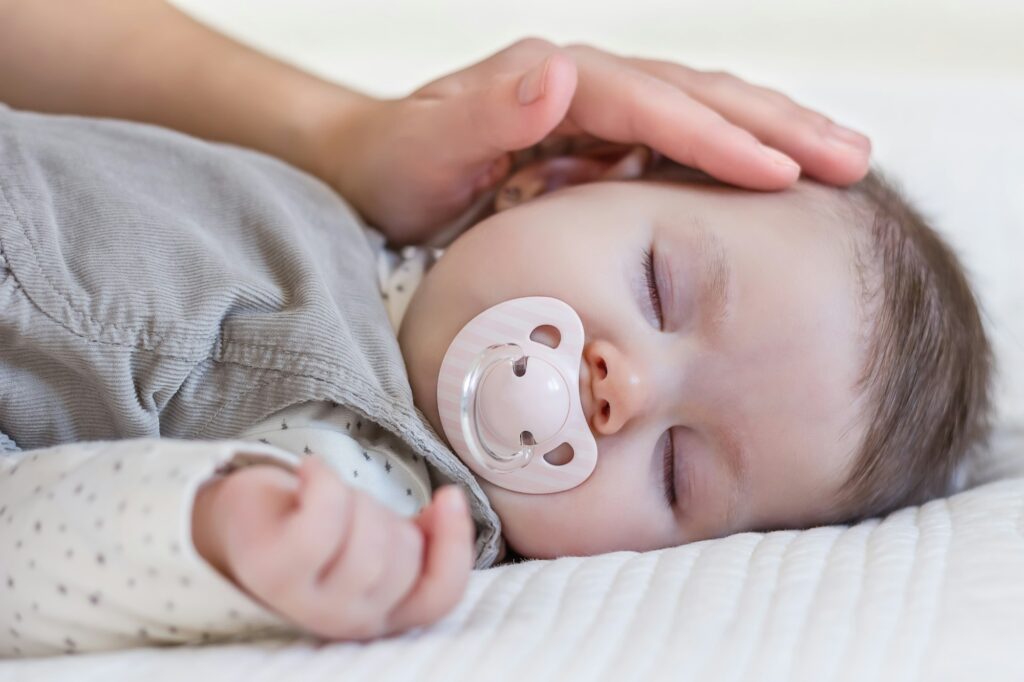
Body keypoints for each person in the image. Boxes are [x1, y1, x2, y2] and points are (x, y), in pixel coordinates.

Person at [0, 0, 907, 659]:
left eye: (677, 470)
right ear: (559, 179)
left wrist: (210, 531)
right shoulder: (358, 226)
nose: (626, 388)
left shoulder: (372, 488)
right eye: (658, 288)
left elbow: (25, 542)